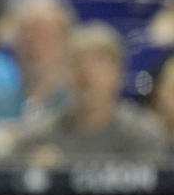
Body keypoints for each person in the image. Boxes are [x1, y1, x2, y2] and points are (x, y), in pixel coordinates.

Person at [14, 21, 167, 166]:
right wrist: (32, 167)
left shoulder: (144, 134)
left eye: (98, 63)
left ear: (118, 74)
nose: (87, 74)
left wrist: (63, 170)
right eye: (77, 62)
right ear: (64, 74)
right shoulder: (40, 137)